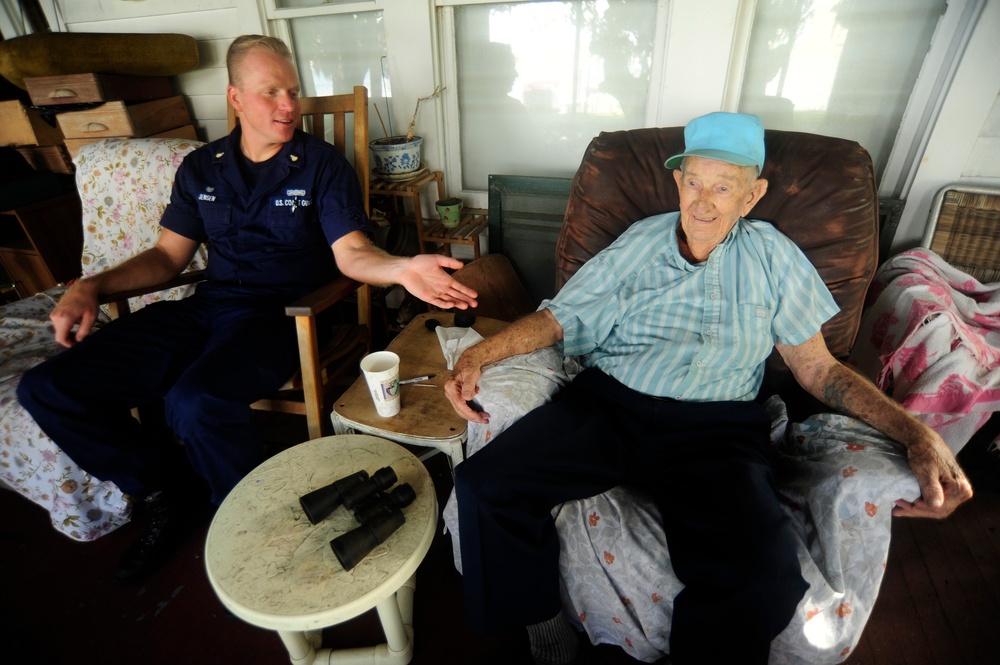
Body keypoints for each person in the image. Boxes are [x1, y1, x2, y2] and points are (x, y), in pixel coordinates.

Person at [444, 112, 972, 664]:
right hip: (610, 406)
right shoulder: (640, 242)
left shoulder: (773, 256)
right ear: (677, 181)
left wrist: (917, 434)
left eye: (724, 187)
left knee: (763, 579)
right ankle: (544, 632)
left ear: (752, 196)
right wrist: (480, 353)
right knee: (485, 484)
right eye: (694, 182)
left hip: (715, 431)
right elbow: (559, 318)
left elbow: (819, 369)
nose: (703, 201)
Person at [16, 35, 477, 585]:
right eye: (271, 93)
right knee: (47, 388)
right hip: (207, 306)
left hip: (280, 316)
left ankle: (242, 523)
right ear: (235, 98)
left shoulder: (322, 166)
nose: (289, 106)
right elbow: (168, 257)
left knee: (196, 400)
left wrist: (400, 268)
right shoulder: (200, 167)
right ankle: (163, 487)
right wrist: (93, 284)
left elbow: (352, 252)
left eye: (294, 91)